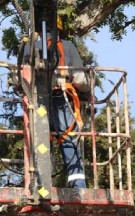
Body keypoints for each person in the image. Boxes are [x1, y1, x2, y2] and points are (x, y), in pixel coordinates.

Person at [25, 16, 88, 189]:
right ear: (60, 29)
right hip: (63, 100)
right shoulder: (67, 47)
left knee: (42, 143)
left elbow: (21, 79)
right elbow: (81, 80)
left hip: (38, 103)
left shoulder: (29, 47)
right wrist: (87, 92)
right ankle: (78, 187)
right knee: (69, 141)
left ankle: (41, 187)